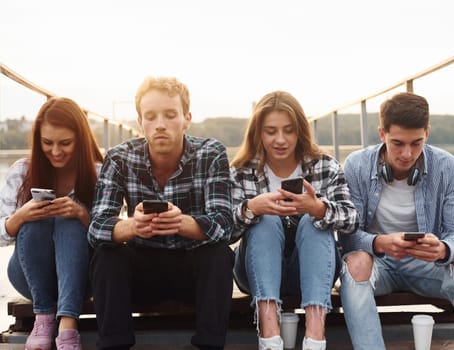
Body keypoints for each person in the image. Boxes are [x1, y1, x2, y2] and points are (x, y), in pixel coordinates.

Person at [339, 92, 454, 350]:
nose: (407, 153)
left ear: (428, 133)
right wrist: (380, 242)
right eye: (397, 143)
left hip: (427, 265)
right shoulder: (357, 165)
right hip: (377, 265)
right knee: (355, 262)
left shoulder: (447, 166)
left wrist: (444, 249)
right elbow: (347, 236)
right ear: (382, 134)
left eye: (416, 143)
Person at [88, 76, 234, 350]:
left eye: (170, 115)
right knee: (106, 255)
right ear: (140, 121)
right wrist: (132, 226)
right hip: (140, 271)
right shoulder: (120, 157)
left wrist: (181, 223)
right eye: (151, 116)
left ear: (186, 118)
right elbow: (96, 227)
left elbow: (225, 224)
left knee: (219, 255)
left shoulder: (211, 153)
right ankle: (113, 345)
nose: (160, 125)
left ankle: (209, 345)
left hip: (191, 270)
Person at [230, 91, 358, 350]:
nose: (280, 140)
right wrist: (252, 208)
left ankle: (315, 336)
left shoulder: (324, 166)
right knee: (265, 219)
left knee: (314, 221)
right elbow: (224, 231)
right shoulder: (241, 171)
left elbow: (351, 219)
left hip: (312, 271)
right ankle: (269, 335)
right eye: (270, 131)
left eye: (288, 130)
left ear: (300, 131)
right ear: (258, 133)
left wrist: (318, 208)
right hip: (256, 271)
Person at [0, 97, 104, 350]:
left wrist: (82, 215)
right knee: (35, 221)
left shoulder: (99, 173)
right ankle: (44, 318)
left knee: (69, 222)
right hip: (30, 276)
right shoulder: (22, 171)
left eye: (65, 143)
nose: (56, 151)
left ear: (80, 140)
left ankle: (68, 326)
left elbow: (114, 235)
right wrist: (20, 217)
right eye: (47, 143)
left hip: (82, 277)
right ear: (38, 141)